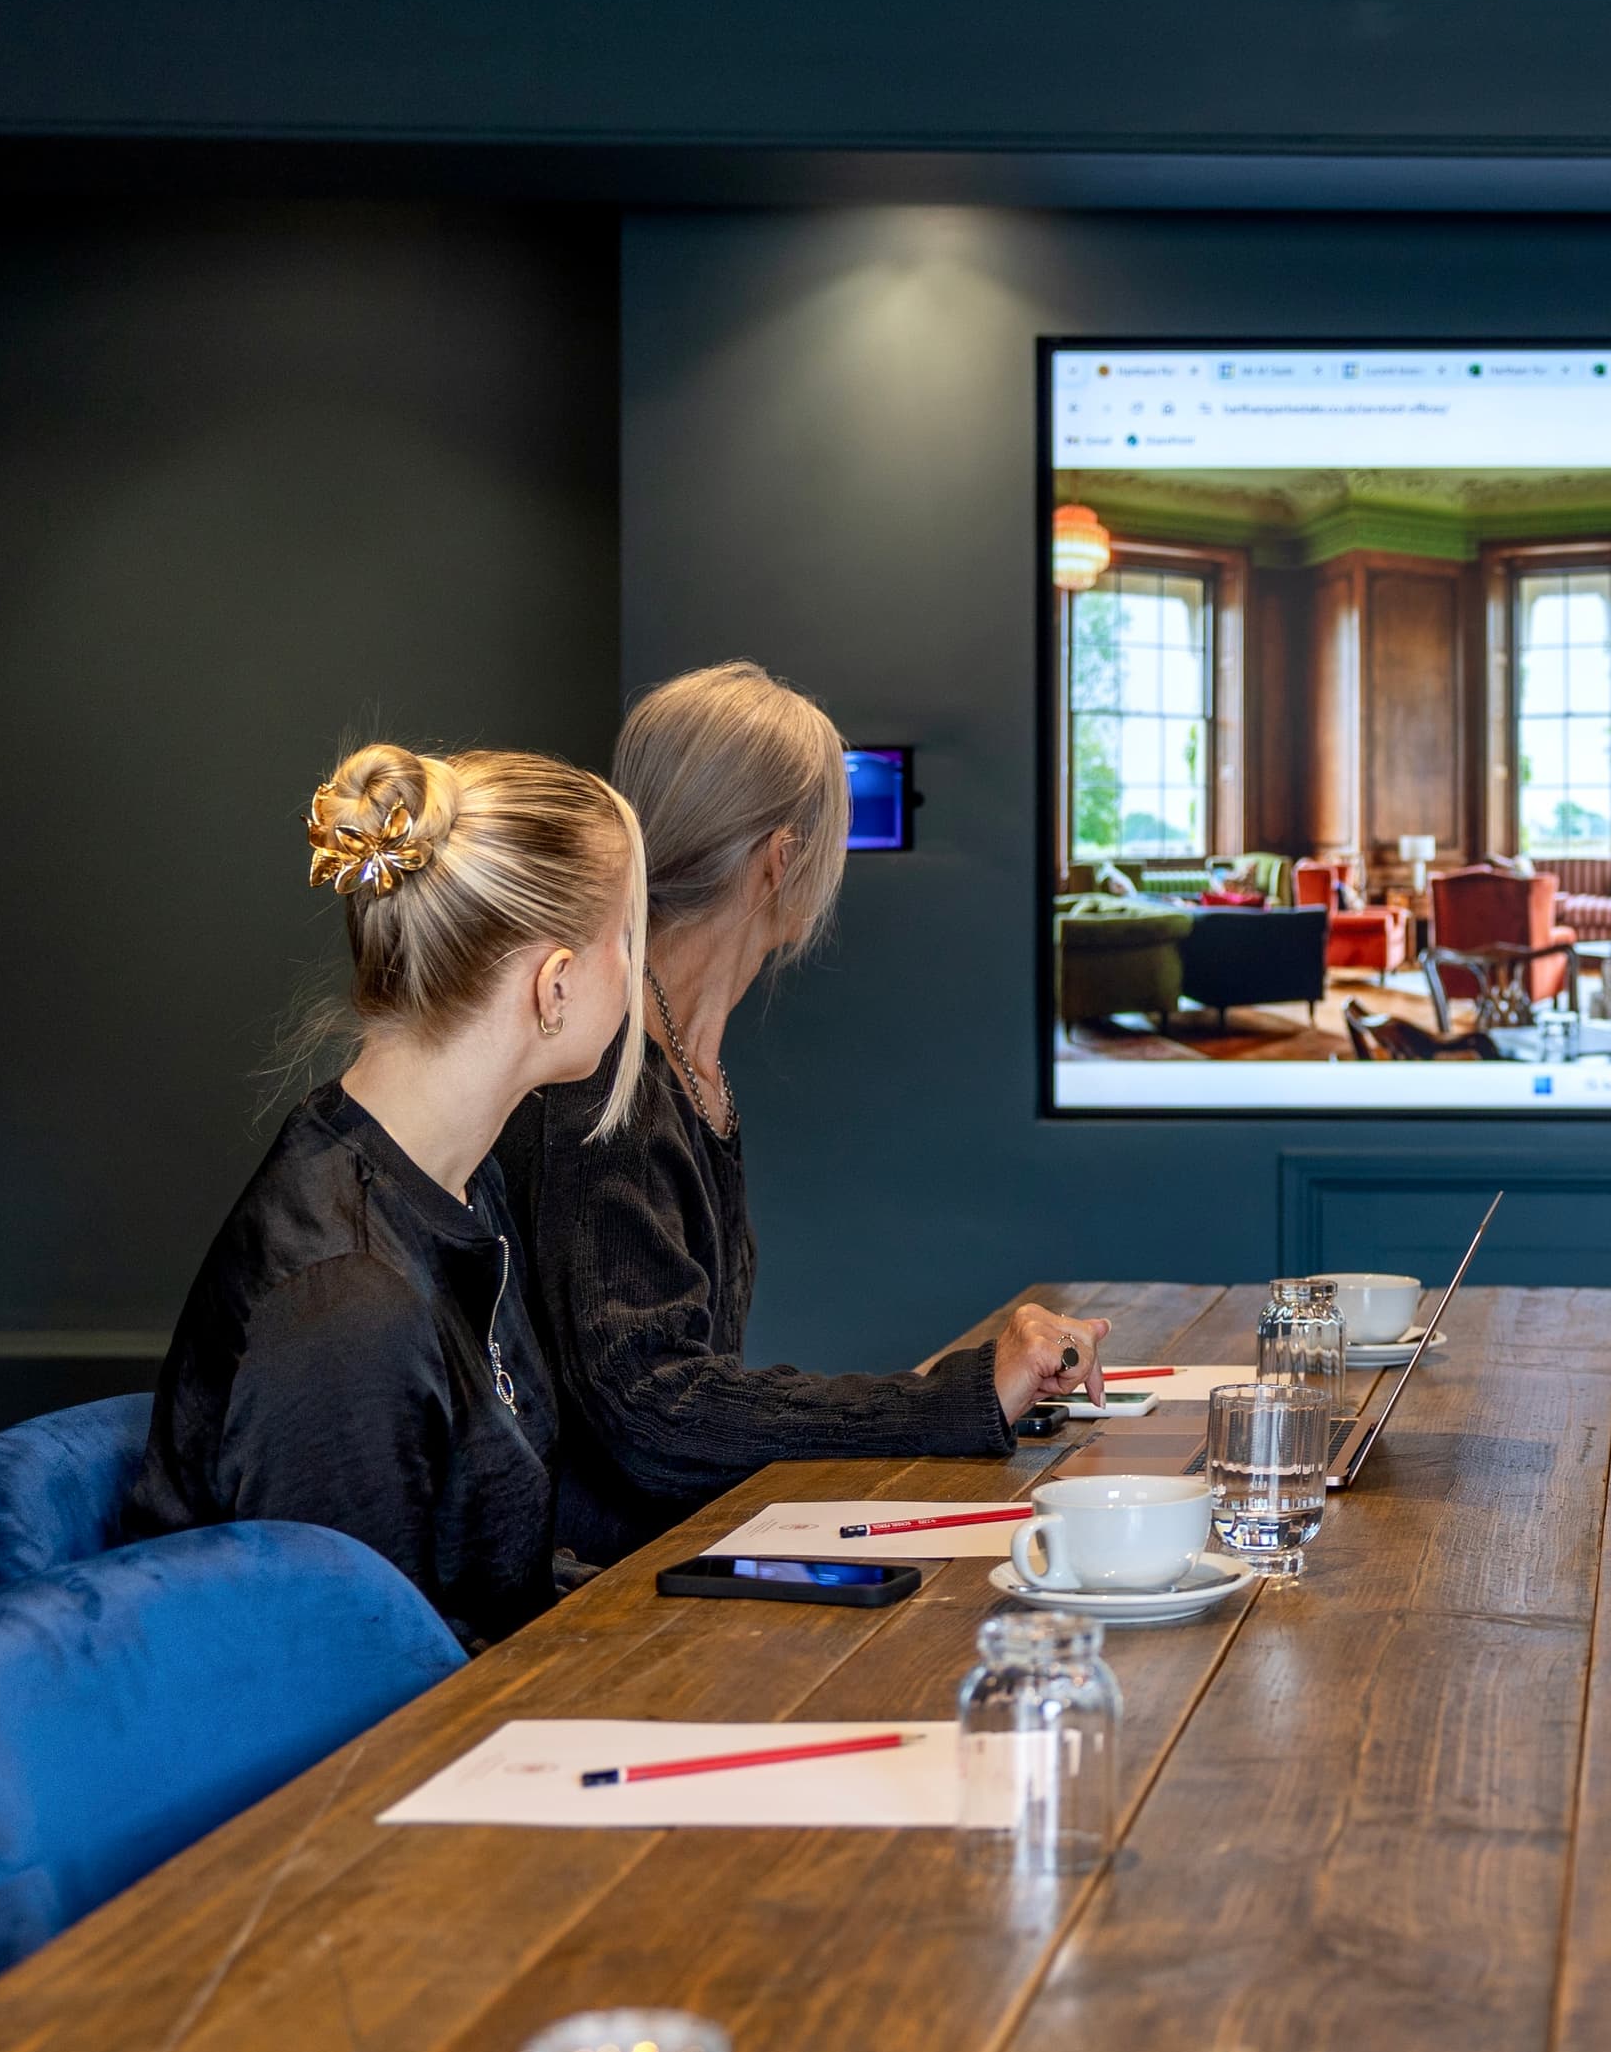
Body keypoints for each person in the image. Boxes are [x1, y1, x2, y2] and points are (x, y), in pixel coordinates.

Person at [496, 661, 1106, 1565]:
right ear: (781, 861)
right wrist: (955, 1397)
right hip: (609, 1599)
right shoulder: (604, 1079)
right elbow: (657, 1413)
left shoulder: (683, 1060)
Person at [129, 745, 646, 1645]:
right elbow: (352, 1678)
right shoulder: (347, 1304)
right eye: (627, 941)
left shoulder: (456, 1179)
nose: (637, 974)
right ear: (554, 983)